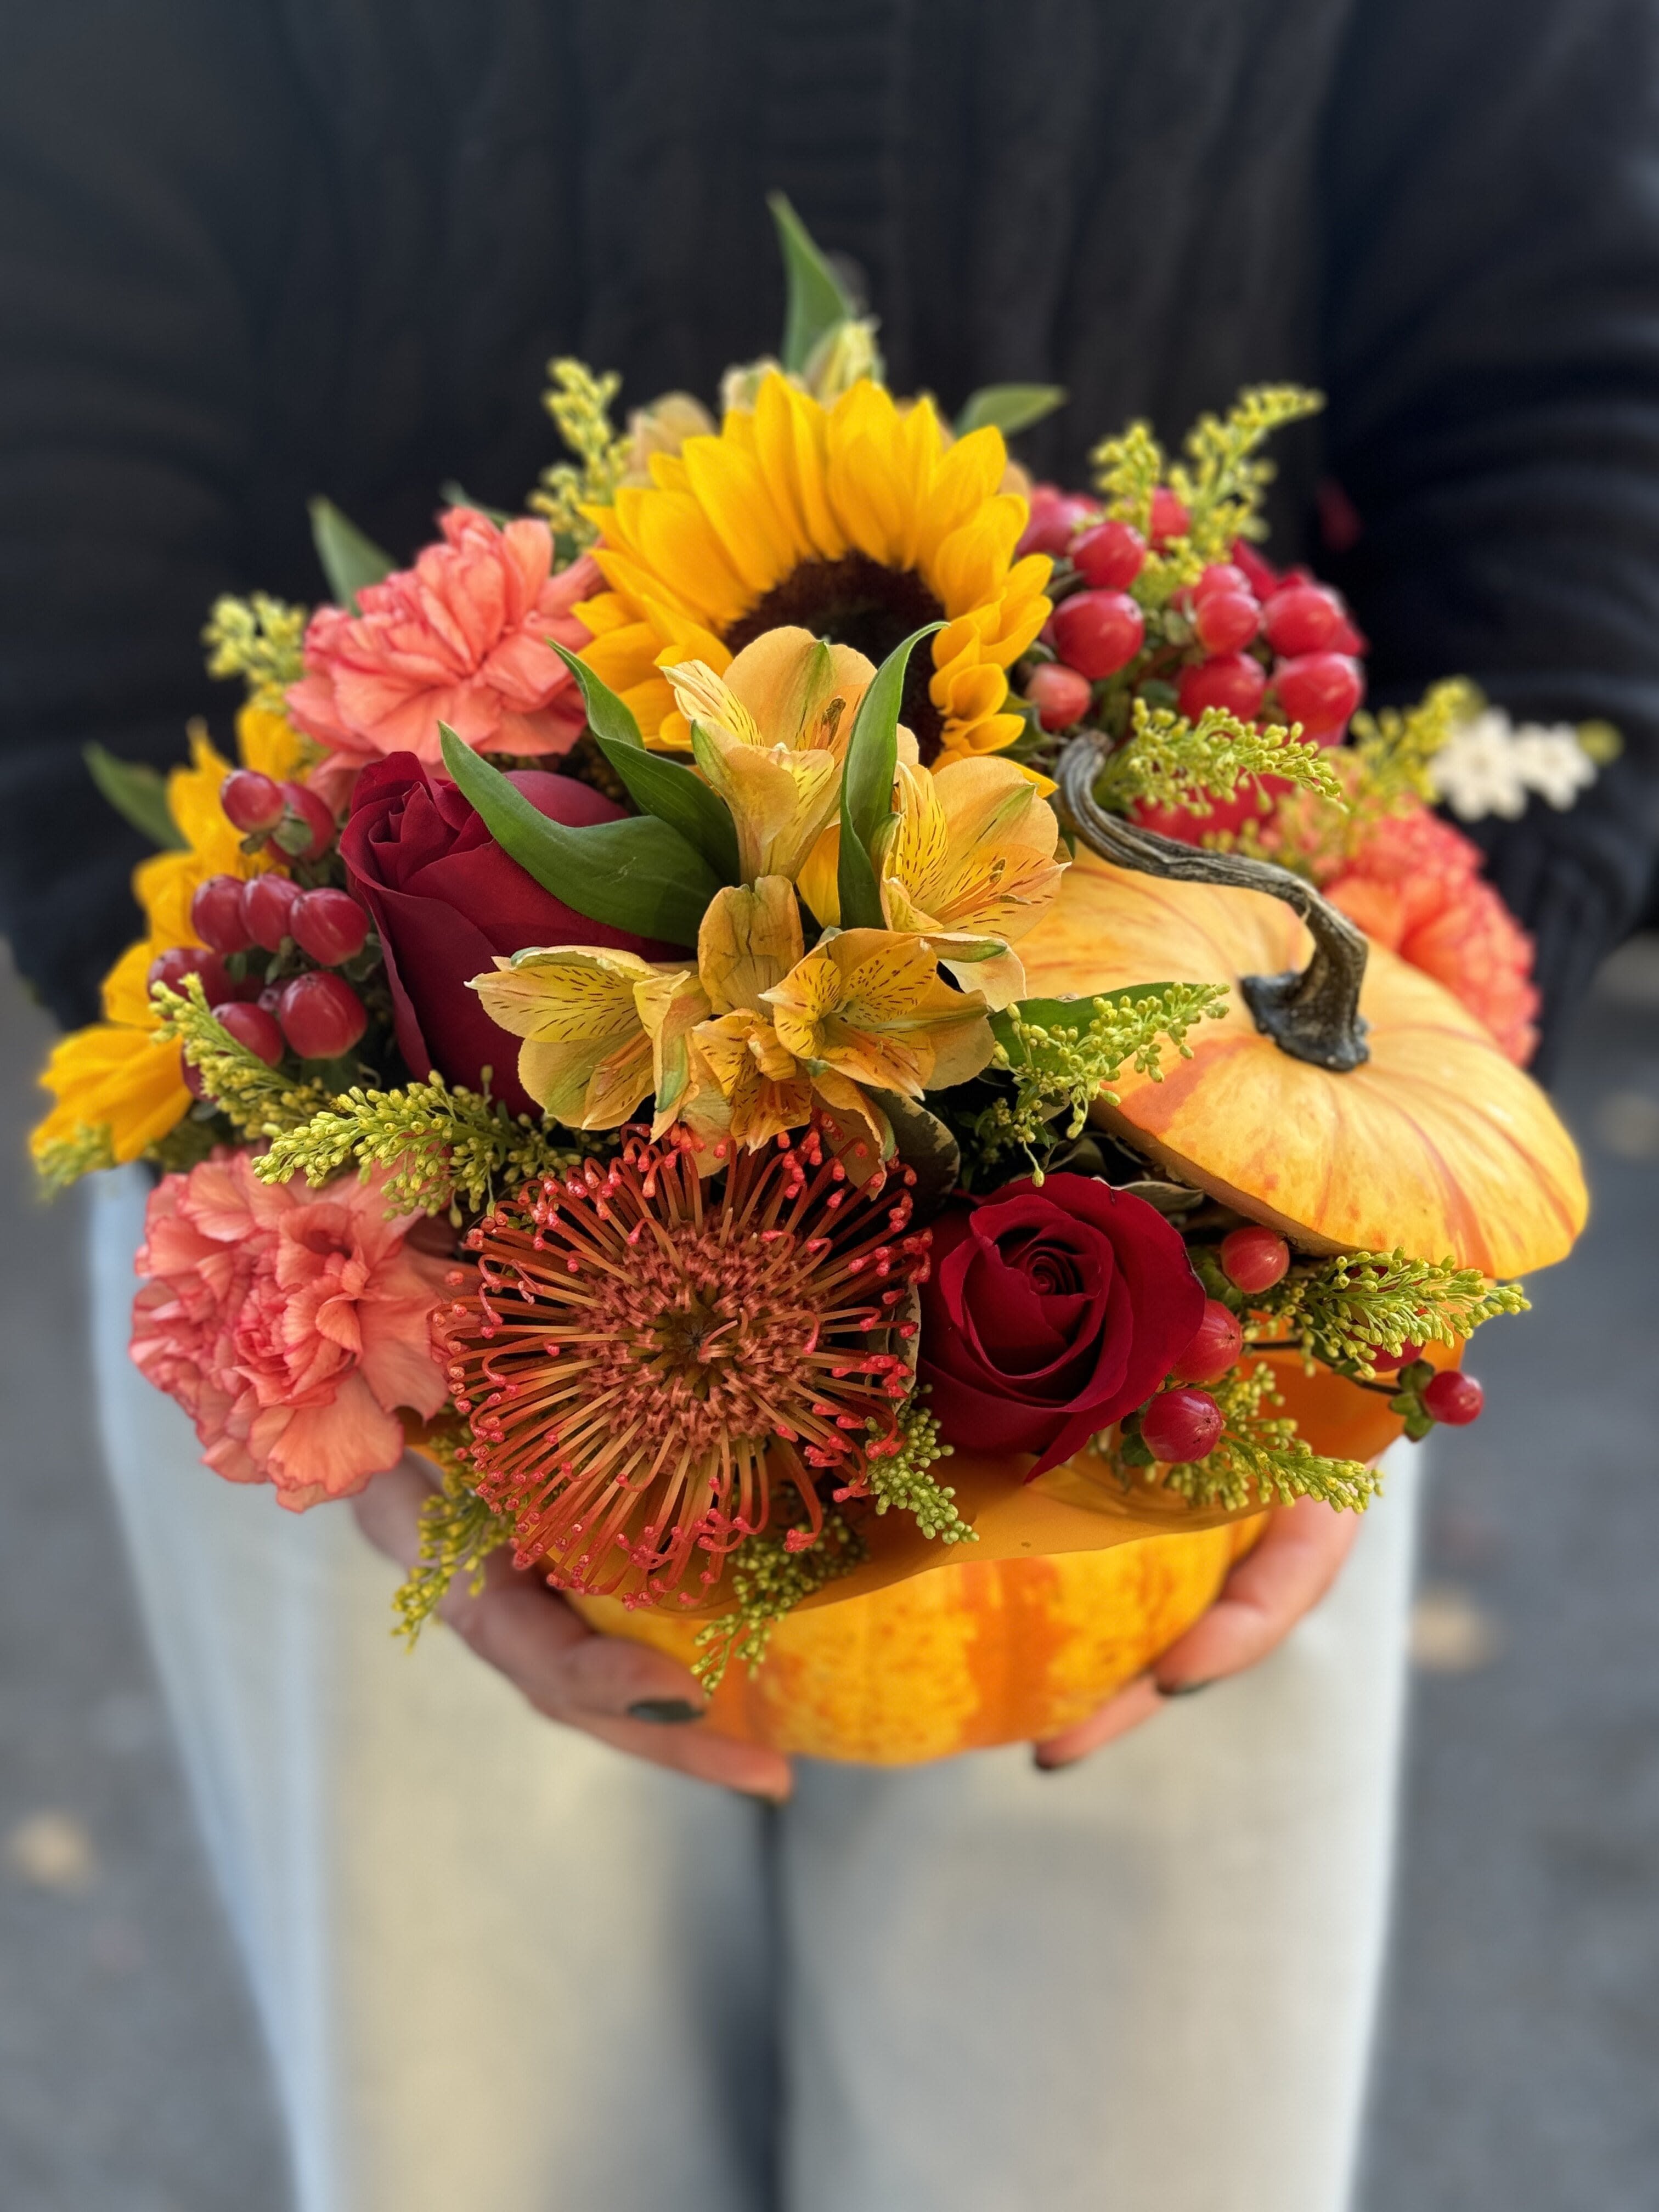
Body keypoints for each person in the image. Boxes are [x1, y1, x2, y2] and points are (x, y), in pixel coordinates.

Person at [7, 4, 1658, 2208]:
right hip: (398, 1239)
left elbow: (1578, 377)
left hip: (1192, 1267)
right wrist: (269, 1111)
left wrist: (1378, 1110)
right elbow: (53, 386)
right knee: (478, 2165)